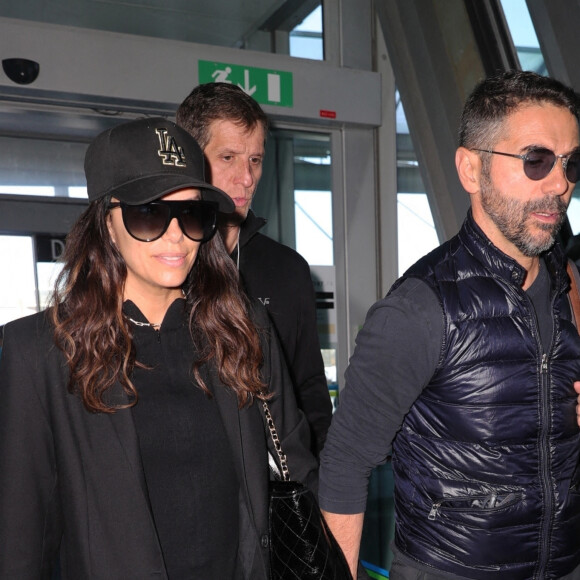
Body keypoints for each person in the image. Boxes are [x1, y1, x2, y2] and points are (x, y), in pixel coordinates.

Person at [0, 117, 318, 579]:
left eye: (191, 214)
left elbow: (299, 472)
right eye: (148, 212)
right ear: (106, 224)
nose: (176, 235)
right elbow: (20, 544)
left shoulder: (244, 329)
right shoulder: (39, 353)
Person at [319, 70, 580, 580]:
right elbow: (346, 464)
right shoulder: (419, 308)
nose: (560, 184)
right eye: (537, 160)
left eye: (571, 163)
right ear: (470, 168)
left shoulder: (567, 281)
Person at [176, 82, 333, 455]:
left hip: (275, 491)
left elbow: (309, 389)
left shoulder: (288, 270)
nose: (246, 178)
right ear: (189, 159)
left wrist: (324, 494)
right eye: (228, 158)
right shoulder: (166, 265)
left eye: (255, 160)